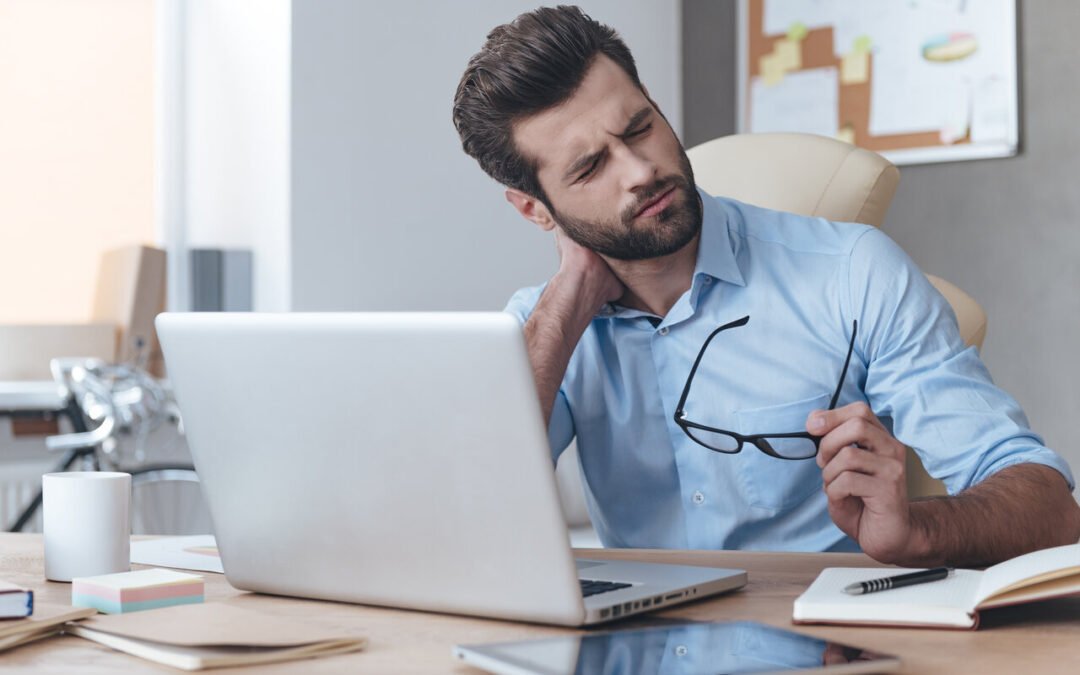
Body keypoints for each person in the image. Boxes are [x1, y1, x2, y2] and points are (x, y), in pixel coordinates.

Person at [452, 5, 1079, 566]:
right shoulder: (543, 328)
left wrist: (917, 529)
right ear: (536, 210)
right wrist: (566, 303)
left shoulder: (853, 271)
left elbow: (1050, 507)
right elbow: (466, 520)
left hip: (827, 644)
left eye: (640, 128)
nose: (641, 171)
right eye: (590, 167)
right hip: (637, 650)